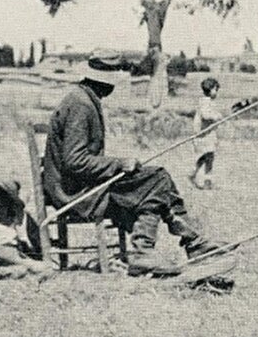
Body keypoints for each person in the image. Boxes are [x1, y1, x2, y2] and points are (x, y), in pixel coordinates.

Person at [42, 52, 231, 285]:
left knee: (157, 178)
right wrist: (119, 164)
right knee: (157, 182)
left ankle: (186, 244)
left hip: (84, 184)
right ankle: (158, 249)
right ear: (103, 80)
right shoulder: (80, 104)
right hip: (74, 194)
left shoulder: (84, 98)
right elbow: (75, 161)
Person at [190, 76, 222, 189]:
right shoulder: (204, 102)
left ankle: (206, 179)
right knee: (207, 155)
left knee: (209, 156)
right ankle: (196, 173)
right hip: (203, 134)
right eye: (215, 90)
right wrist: (216, 117)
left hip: (209, 133)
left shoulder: (209, 101)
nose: (217, 92)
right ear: (209, 89)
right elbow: (205, 115)